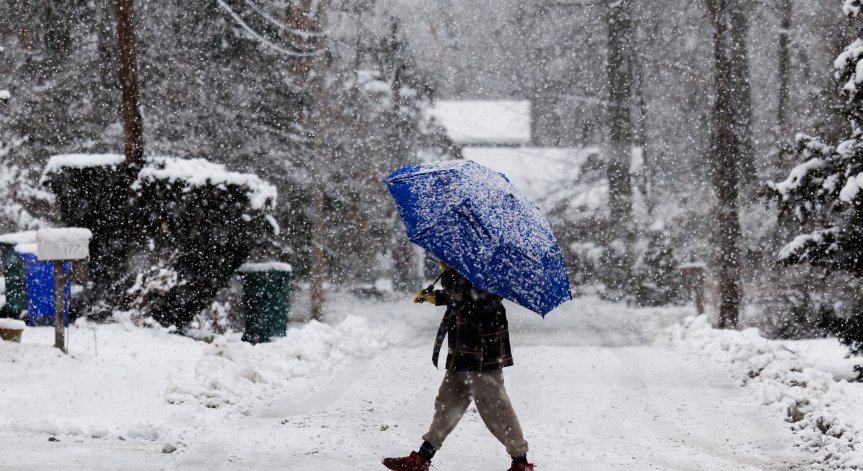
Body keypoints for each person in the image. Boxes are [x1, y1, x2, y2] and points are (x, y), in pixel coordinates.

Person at [382, 262, 534, 471]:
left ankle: (521, 462)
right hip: (464, 339)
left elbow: (475, 295)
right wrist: (437, 297)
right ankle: (423, 457)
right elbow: (465, 294)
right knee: (449, 399)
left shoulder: (491, 260)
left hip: (483, 341)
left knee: (493, 402)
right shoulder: (470, 256)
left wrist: (447, 276)